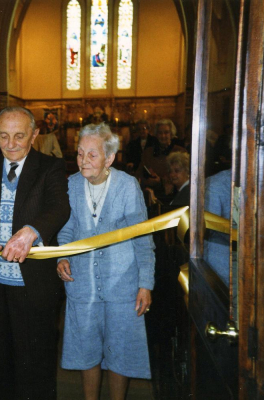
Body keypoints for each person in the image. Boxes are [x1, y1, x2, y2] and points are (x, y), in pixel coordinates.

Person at [0, 106, 70, 399]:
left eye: (19, 136)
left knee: (37, 366)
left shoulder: (50, 168)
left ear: (34, 135)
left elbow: (59, 208)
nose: (10, 144)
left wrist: (32, 230)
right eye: (3, 136)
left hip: (34, 285)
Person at [56, 122, 154, 400]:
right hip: (82, 285)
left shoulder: (127, 185)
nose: (83, 161)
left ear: (109, 158)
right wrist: (62, 255)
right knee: (87, 351)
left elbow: (143, 238)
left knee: (119, 351)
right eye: (79, 153)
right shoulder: (71, 185)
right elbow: (66, 229)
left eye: (92, 154)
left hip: (123, 286)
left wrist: (145, 283)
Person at [135, 119, 187, 202]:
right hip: (152, 196)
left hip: (174, 197)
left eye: (166, 132)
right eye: (160, 133)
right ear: (156, 135)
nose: (163, 136)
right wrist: (148, 181)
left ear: (171, 134)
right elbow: (138, 175)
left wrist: (161, 181)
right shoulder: (148, 152)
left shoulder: (180, 152)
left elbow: (185, 177)